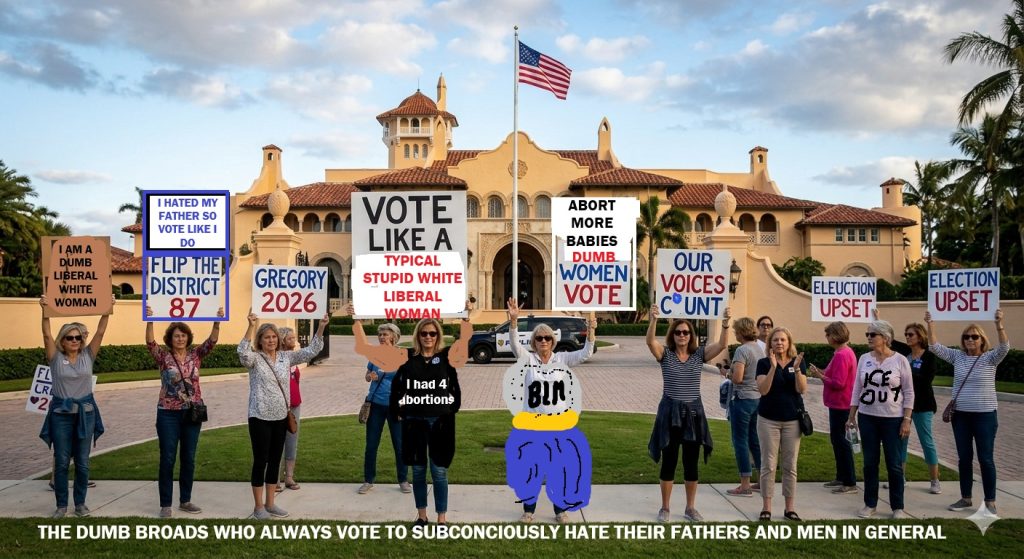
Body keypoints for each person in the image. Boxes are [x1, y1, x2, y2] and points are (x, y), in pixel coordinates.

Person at [505, 298, 596, 524]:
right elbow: (515, 345)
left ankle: (560, 511)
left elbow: (585, 353)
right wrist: (514, 321)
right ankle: (528, 511)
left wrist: (591, 332)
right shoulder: (528, 360)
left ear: (553, 341)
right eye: (539, 338)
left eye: (547, 338)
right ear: (534, 342)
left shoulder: (562, 359)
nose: (543, 341)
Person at [238, 311, 327, 520]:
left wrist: (322, 326)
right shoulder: (255, 359)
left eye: (274, 337)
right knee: (260, 460)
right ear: (260, 340)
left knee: (274, 460)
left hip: (280, 417)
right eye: (266, 337)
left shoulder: (286, 357)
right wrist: (250, 326)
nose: (271, 340)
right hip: (259, 416)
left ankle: (270, 504)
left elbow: (312, 350)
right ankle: (258, 506)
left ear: (278, 339)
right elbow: (243, 353)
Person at [647, 305, 731, 523]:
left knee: (691, 463)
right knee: (669, 461)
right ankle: (665, 508)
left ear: (691, 335)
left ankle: (690, 508)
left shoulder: (698, 355)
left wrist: (725, 324)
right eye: (678, 332)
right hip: (670, 414)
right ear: (673, 335)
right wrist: (653, 320)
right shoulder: (665, 355)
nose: (682, 335)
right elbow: (650, 342)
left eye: (686, 332)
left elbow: (722, 345)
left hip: (694, 414)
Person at [390, 314, 472, 526]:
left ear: (438, 336)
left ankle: (441, 519)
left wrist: (466, 316)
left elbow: (455, 382)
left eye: (432, 333)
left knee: (439, 471)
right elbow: (398, 386)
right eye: (424, 333)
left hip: (440, 420)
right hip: (414, 419)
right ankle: (422, 516)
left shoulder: (446, 357)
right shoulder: (407, 357)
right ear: (418, 335)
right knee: (418, 471)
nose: (428, 337)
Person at [926, 309, 1008, 515]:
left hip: (985, 416)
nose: (970, 339)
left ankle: (990, 501)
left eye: (974, 336)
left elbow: (1004, 347)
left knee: (985, 458)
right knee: (964, 458)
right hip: (961, 416)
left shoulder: (990, 358)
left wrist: (999, 324)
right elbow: (934, 346)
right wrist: (930, 323)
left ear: (982, 340)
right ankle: (966, 498)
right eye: (966, 337)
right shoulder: (958, 357)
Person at [38, 295, 113, 519]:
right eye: (69, 337)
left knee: (82, 463)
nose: (74, 341)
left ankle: (80, 504)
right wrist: (44, 311)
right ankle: (61, 505)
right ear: (62, 340)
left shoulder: (88, 355)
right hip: (60, 415)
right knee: (61, 462)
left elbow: (100, 332)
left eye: (78, 337)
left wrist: (107, 308)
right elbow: (46, 334)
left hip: (85, 414)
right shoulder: (54, 358)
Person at [145, 306, 223, 518]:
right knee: (168, 458)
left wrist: (217, 322)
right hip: (168, 413)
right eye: (176, 336)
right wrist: (149, 320)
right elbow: (150, 343)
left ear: (188, 338)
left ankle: (185, 500)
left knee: (188, 457)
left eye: (183, 335)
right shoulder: (163, 358)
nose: (180, 339)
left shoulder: (195, 355)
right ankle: (165, 504)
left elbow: (211, 342)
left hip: (192, 413)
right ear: (170, 339)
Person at [847, 320, 914, 519]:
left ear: (885, 337)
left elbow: (909, 392)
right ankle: (870, 504)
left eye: (872, 334)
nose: (868, 338)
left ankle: (897, 506)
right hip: (868, 417)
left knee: (894, 464)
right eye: (867, 334)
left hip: (893, 419)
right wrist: (851, 415)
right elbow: (857, 389)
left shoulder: (900, 360)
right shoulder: (864, 359)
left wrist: (907, 419)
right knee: (870, 463)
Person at [348, 304, 410, 495]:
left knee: (400, 445)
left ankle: (403, 480)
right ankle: (368, 480)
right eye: (380, 335)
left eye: (385, 334)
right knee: (371, 445)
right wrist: (370, 376)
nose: (381, 337)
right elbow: (367, 375)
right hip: (375, 405)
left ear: (393, 337)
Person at [755, 326, 807, 522]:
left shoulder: (797, 362)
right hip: (768, 420)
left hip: (792, 421)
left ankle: (789, 509)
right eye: (775, 340)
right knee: (768, 465)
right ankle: (766, 508)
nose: (779, 343)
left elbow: (801, 389)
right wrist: (773, 367)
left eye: (783, 340)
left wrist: (798, 370)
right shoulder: (763, 363)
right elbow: (763, 390)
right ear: (770, 343)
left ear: (789, 342)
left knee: (790, 465)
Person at [807, 321, 858, 495]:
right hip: (838, 403)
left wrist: (820, 376)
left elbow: (838, 383)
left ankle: (849, 482)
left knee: (842, 442)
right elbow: (831, 373)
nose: (827, 338)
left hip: (841, 404)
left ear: (835, 336)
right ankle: (841, 476)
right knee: (837, 441)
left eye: (828, 334)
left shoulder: (842, 355)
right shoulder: (842, 352)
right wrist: (820, 372)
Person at [893, 321, 942, 495]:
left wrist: (905, 377)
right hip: (903, 405)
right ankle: (900, 478)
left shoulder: (929, 356)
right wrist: (876, 319)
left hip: (923, 405)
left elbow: (925, 381)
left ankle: (935, 480)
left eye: (911, 334)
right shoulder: (905, 353)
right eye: (906, 334)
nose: (907, 337)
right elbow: (888, 339)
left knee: (926, 441)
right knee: (901, 441)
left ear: (920, 336)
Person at [724, 317, 763, 497]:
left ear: (740, 332)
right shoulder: (759, 348)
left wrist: (727, 373)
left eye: (736, 331)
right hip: (757, 398)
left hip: (742, 399)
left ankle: (745, 484)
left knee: (740, 441)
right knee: (755, 441)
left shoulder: (742, 350)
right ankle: (762, 481)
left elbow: (738, 378)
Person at [276, 327, 303, 492]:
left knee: (292, 440)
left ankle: (289, 477)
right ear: (283, 341)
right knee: (277, 441)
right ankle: (274, 479)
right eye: (290, 338)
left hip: (295, 405)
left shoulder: (294, 358)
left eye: (294, 338)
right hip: (280, 406)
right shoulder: (278, 359)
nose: (294, 340)